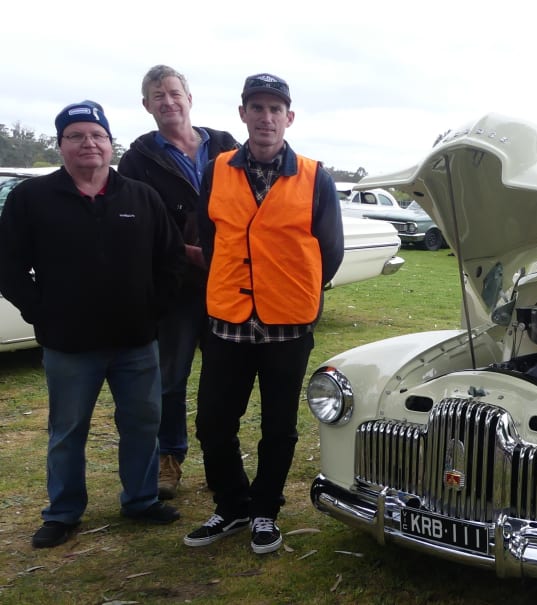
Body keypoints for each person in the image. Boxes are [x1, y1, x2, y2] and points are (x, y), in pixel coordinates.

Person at [0, 101, 186, 549]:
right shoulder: (32, 199)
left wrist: (153, 310)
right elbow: (7, 266)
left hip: (136, 342)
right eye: (77, 136)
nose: (89, 143)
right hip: (69, 345)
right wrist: (40, 313)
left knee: (143, 423)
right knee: (68, 431)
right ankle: (63, 512)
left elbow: (171, 260)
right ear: (61, 145)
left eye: (97, 135)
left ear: (109, 143)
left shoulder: (141, 196)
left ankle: (140, 500)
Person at [184, 73, 343, 555]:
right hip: (227, 318)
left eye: (276, 109)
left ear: (289, 118)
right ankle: (232, 504)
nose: (266, 117)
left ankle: (265, 511)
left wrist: (298, 293)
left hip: (288, 323)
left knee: (278, 424)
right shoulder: (217, 169)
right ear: (243, 114)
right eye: (257, 107)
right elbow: (211, 239)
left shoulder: (316, 176)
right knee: (213, 420)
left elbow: (330, 250)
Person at [118, 65, 240, 500]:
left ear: (190, 98)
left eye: (174, 92)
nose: (168, 101)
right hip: (175, 290)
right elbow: (137, 226)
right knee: (170, 379)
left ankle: (221, 459)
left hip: (228, 285)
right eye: (158, 95)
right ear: (146, 105)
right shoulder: (137, 159)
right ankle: (169, 457)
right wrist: (190, 254)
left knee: (224, 376)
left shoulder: (225, 144)